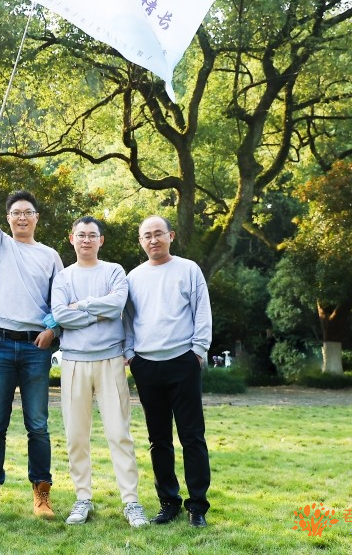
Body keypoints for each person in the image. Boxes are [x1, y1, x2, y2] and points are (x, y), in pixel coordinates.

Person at [0, 138, 64, 519]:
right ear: (8, 218)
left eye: (27, 212)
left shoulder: (50, 256)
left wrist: (53, 330)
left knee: (37, 425)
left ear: (36, 218)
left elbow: (61, 302)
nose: (21, 218)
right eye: (15, 213)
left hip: (35, 348)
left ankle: (41, 495)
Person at [50, 216, 149, 528]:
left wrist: (81, 306)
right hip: (74, 362)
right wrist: (98, 313)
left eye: (92, 235)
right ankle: (83, 497)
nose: (86, 240)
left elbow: (117, 303)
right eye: (81, 235)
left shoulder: (114, 271)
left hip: (110, 360)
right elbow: (59, 314)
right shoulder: (63, 277)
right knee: (76, 435)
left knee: (119, 433)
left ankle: (131, 501)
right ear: (71, 238)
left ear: (100, 240)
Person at [123, 215, 212, 528]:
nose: (153, 240)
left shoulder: (188, 269)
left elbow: (202, 311)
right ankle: (168, 502)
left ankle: (197, 506)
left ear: (171, 236)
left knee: (192, 436)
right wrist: (131, 354)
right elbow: (128, 320)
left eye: (158, 233)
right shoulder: (134, 277)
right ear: (141, 241)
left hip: (182, 361)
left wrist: (198, 351)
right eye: (146, 235)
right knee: (158, 439)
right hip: (146, 366)